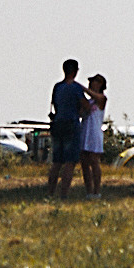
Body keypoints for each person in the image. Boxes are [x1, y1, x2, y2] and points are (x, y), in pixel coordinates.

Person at [46, 59, 88, 199]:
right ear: (75, 71)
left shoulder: (57, 87)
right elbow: (85, 105)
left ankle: (50, 193)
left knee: (57, 162)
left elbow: (55, 105)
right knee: (70, 162)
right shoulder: (76, 88)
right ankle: (64, 194)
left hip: (58, 124)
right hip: (71, 125)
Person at [79, 74, 108, 199]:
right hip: (84, 131)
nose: (92, 83)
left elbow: (96, 96)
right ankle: (89, 191)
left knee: (94, 162)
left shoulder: (102, 98)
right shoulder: (89, 101)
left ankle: (97, 191)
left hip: (94, 133)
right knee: (85, 163)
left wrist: (82, 88)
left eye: (95, 81)